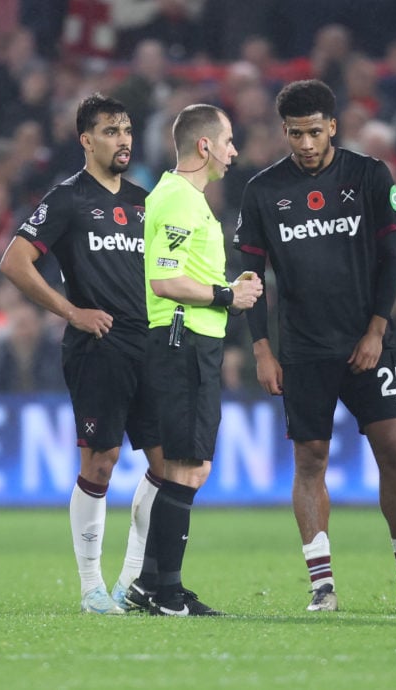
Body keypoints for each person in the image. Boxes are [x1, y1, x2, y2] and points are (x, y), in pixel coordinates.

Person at [234, 79, 396, 612]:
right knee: (310, 460)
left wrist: (376, 329)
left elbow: (393, 259)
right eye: (295, 134)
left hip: (365, 345)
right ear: (284, 131)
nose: (304, 143)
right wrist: (261, 349)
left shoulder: (368, 175)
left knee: (392, 449)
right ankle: (322, 585)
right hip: (301, 349)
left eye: (314, 132)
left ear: (333, 127)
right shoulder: (263, 190)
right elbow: (248, 277)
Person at [0, 93, 164, 615]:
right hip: (98, 346)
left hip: (150, 343)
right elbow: (14, 261)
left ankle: (132, 582)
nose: (123, 140)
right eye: (111, 131)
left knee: (168, 465)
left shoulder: (147, 200)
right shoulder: (67, 198)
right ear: (86, 140)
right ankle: (92, 588)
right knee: (102, 461)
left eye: (128, 130)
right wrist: (71, 312)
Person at [130, 103, 262, 617]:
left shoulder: (185, 199)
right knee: (188, 467)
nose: (234, 150)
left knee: (190, 466)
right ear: (204, 146)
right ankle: (165, 591)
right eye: (228, 140)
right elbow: (166, 281)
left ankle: (151, 583)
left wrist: (230, 289)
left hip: (193, 340)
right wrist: (228, 296)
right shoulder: (179, 201)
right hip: (183, 341)